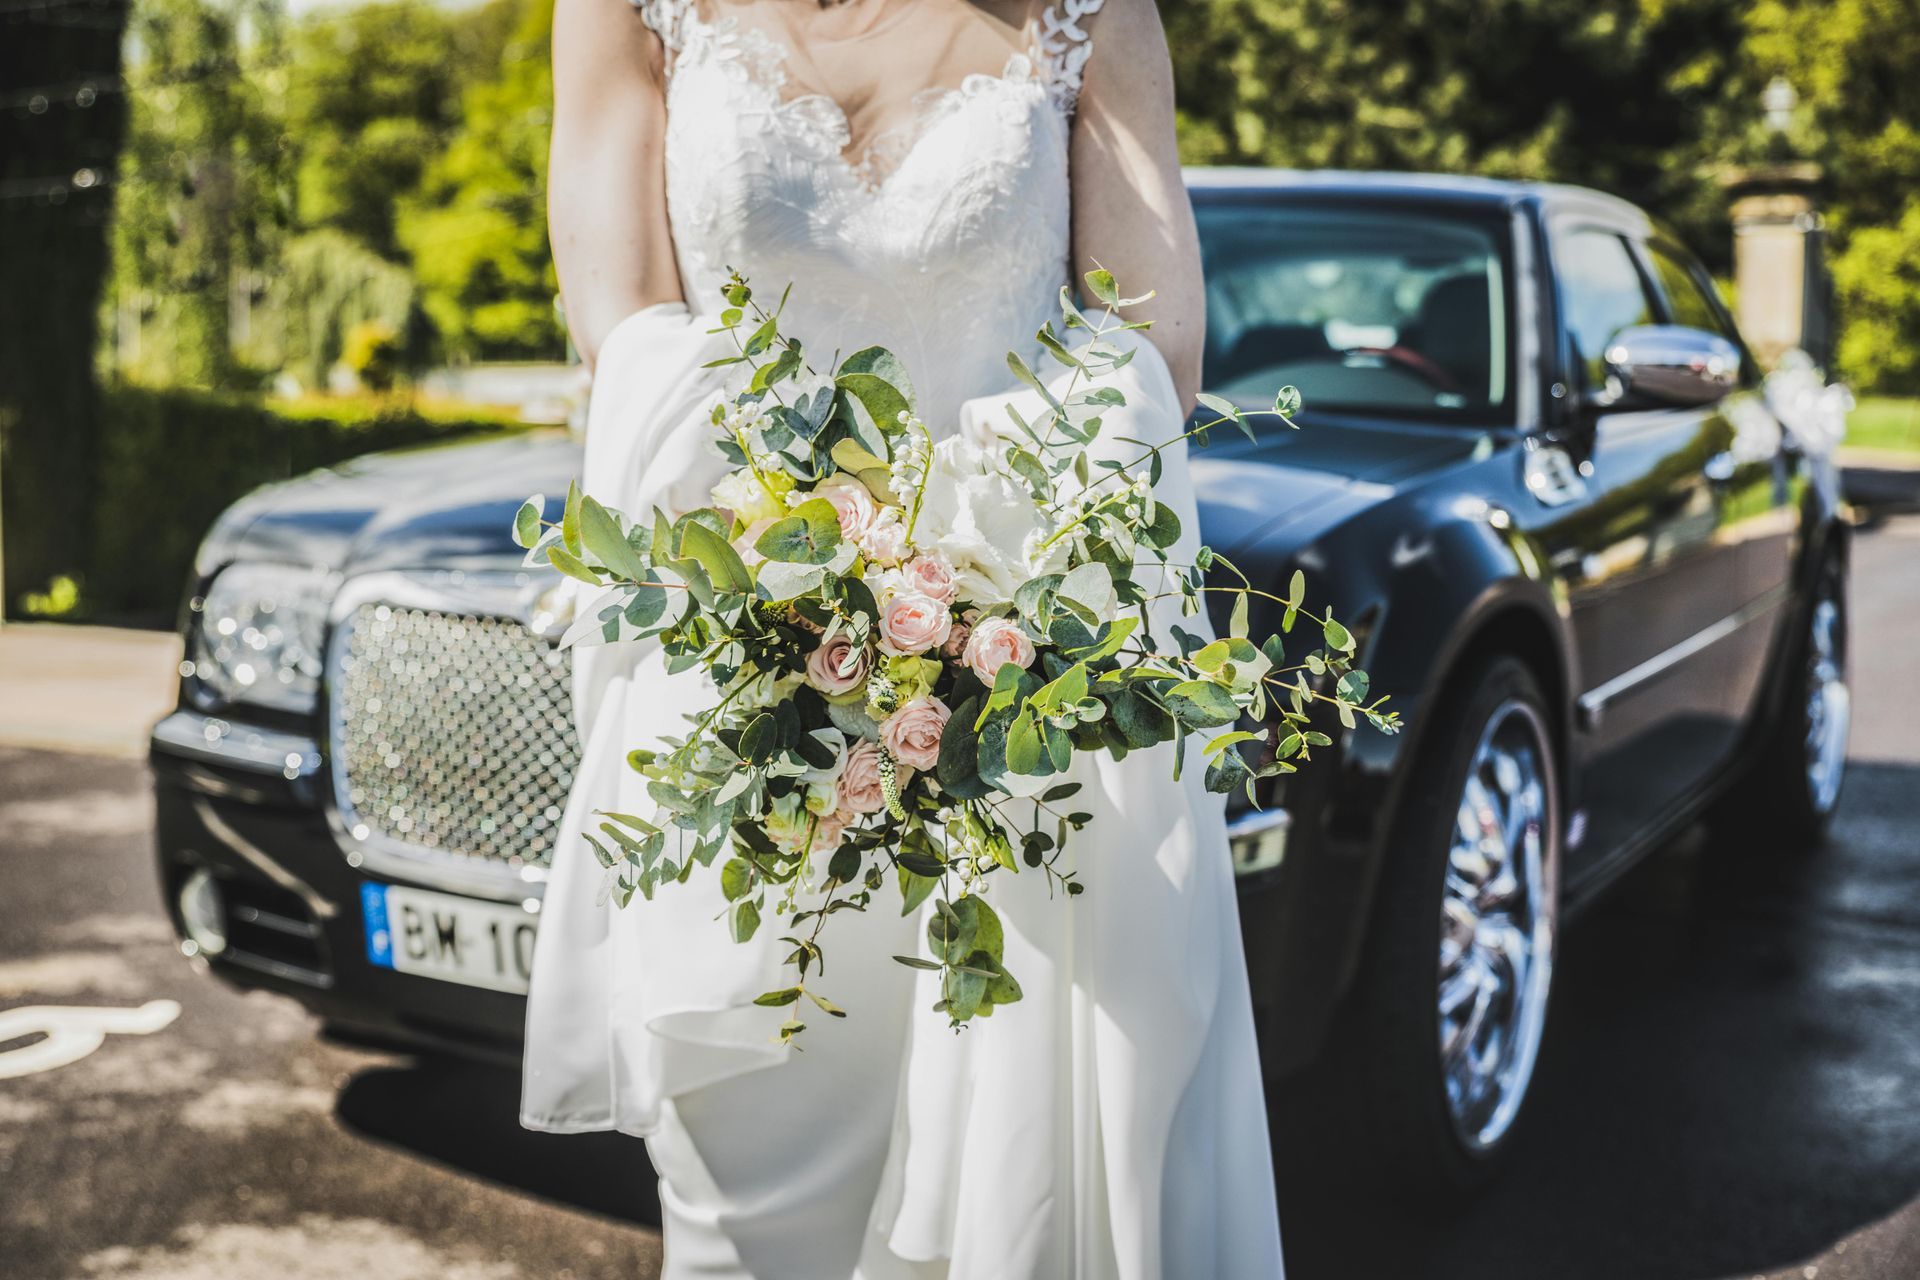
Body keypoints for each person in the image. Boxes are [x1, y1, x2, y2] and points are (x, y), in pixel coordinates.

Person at [521, 2, 1286, 1276]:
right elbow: (628, 331)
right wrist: (811, 564)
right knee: (744, 1202)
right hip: (751, 691)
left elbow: (1155, 343)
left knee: (1020, 1192)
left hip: (1019, 694)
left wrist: (972, 576)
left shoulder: (1087, 11)